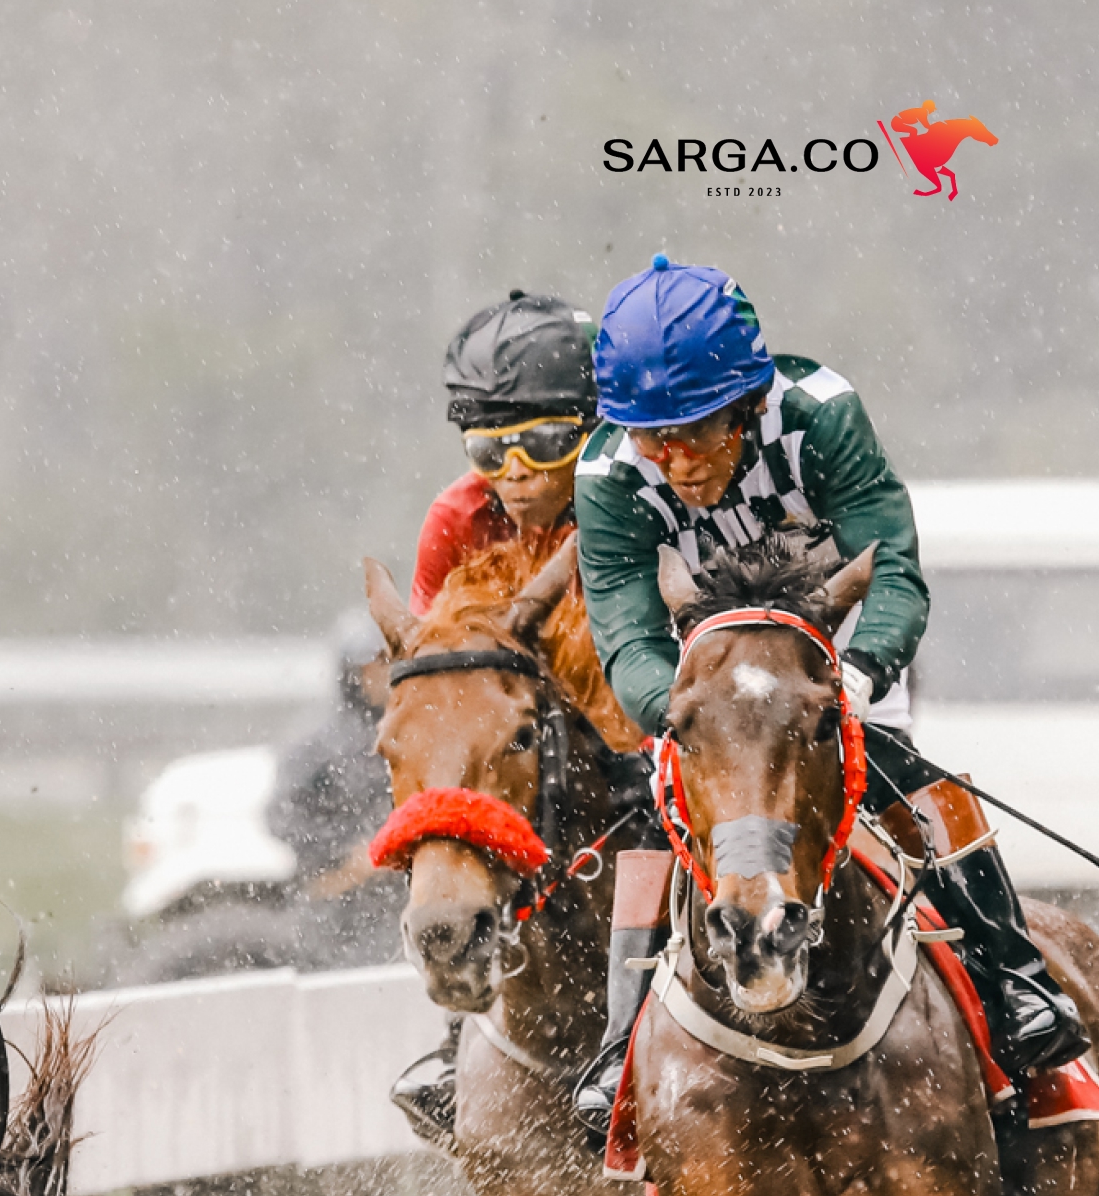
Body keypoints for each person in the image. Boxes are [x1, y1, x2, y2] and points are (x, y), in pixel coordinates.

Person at [568, 254, 1087, 1134]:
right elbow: (625, 636)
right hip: (709, 682)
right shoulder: (610, 475)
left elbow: (895, 574)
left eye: (694, 432)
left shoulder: (821, 415)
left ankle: (1017, 979)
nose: (673, 460)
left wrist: (860, 677)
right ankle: (622, 1043)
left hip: (830, 656)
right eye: (652, 437)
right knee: (665, 809)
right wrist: (682, 714)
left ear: (746, 405)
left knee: (908, 781)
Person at [386, 291, 602, 1140]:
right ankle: (458, 1031)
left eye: (542, 445)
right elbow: (434, 686)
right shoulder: (456, 519)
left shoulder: (639, 497)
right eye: (489, 449)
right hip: (526, 743)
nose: (513, 472)